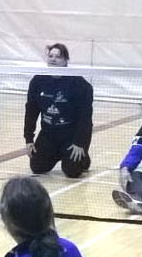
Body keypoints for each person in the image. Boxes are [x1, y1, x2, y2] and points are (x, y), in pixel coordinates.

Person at [24, 43, 93, 179]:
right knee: (37, 167)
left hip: (71, 136)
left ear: (65, 61)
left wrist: (81, 143)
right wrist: (29, 138)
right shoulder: (38, 81)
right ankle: (57, 154)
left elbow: (85, 118)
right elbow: (31, 111)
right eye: (50, 56)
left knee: (72, 172)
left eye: (58, 57)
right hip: (48, 134)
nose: (53, 59)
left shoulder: (80, 85)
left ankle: (83, 158)